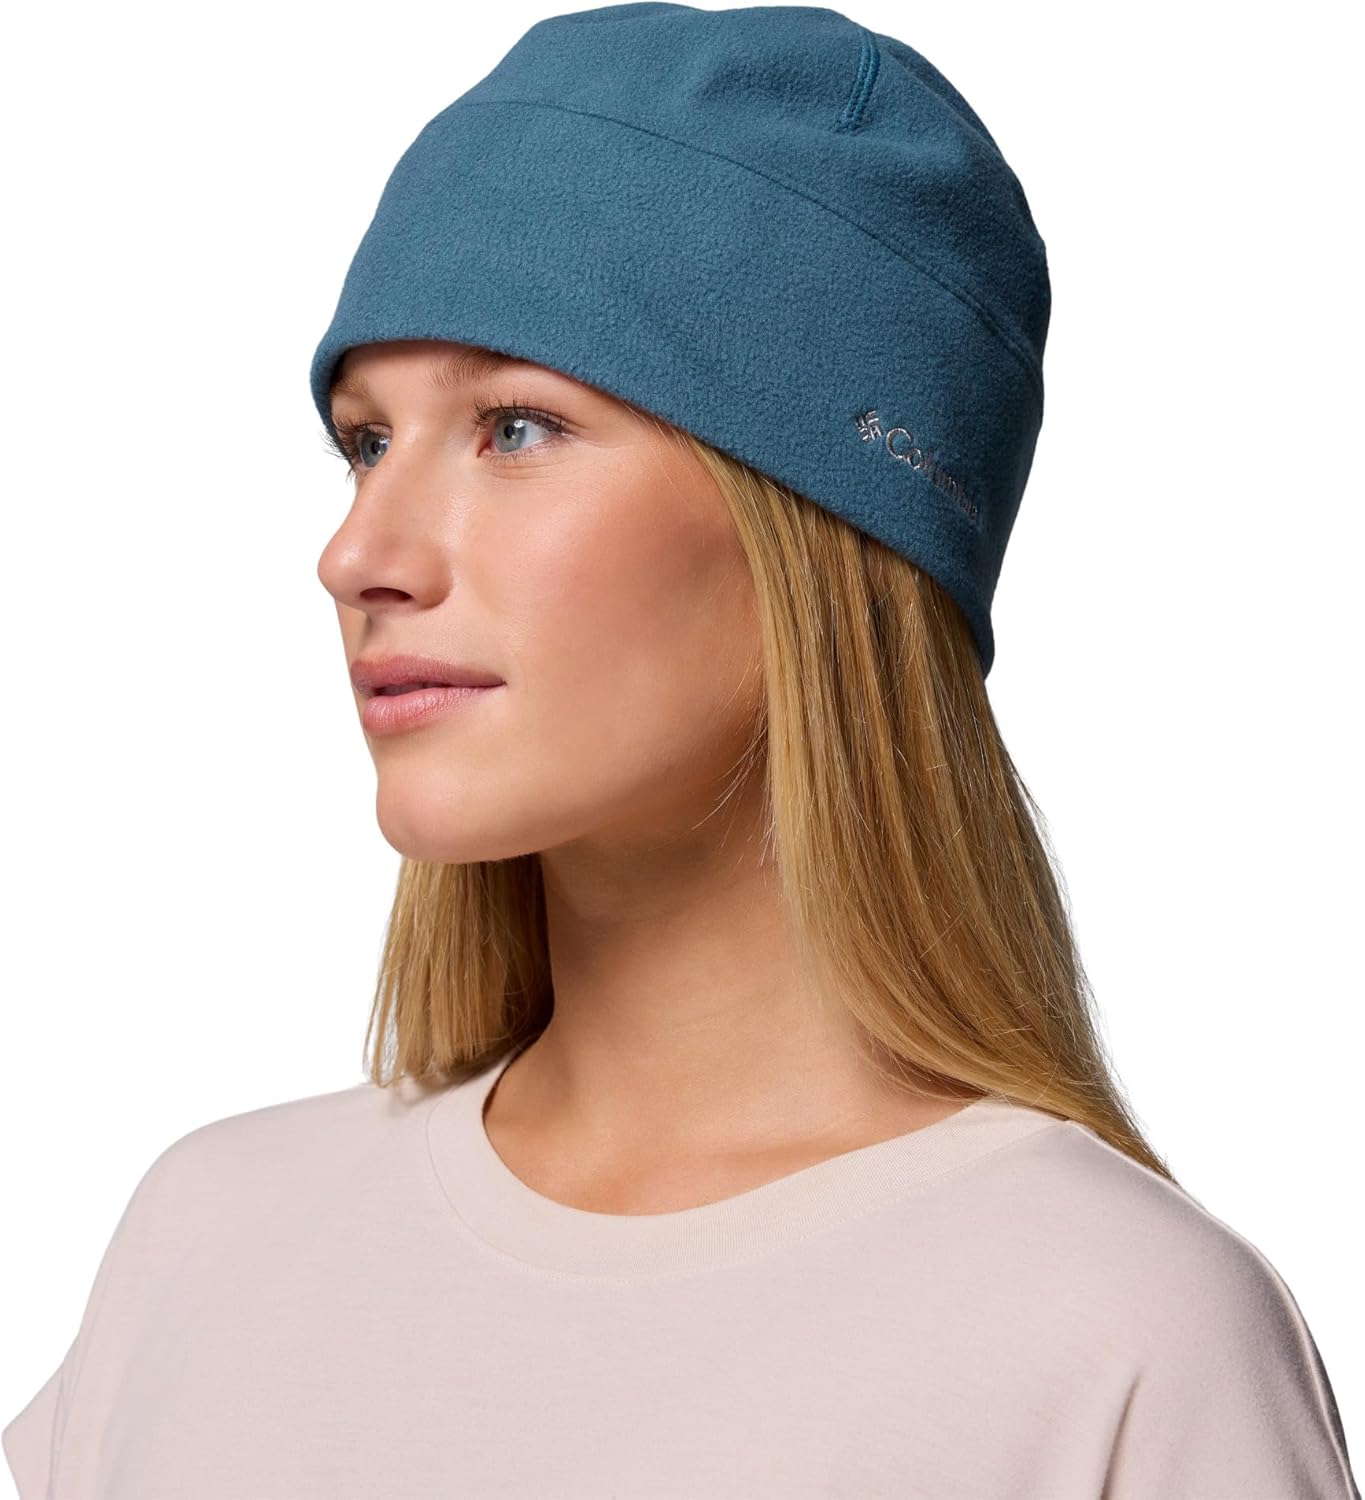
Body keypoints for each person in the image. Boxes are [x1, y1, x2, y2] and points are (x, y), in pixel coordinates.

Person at [4, 4, 1358, 1497]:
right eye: (366, 442)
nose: (358, 554)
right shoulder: (207, 1243)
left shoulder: (1112, 1333)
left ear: (819, 534)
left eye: (517, 428)